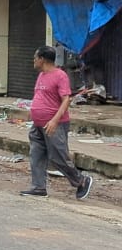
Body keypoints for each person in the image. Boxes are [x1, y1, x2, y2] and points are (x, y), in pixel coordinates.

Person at [21, 46, 93, 200]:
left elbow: (66, 100)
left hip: (55, 125)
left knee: (58, 157)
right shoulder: (41, 75)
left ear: (42, 59)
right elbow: (41, 95)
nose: (33, 60)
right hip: (38, 124)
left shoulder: (60, 76)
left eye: (35, 58)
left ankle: (81, 181)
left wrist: (54, 120)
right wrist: (33, 111)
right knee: (36, 155)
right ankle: (38, 187)